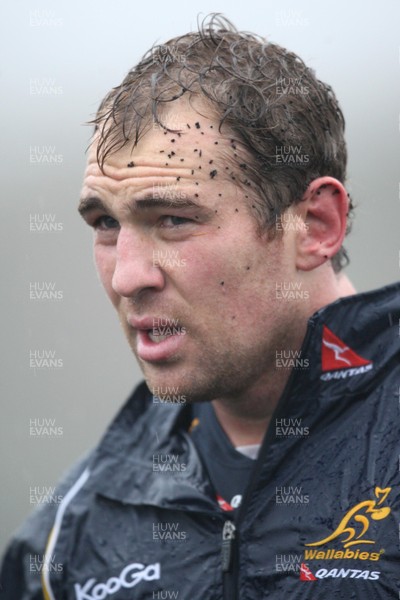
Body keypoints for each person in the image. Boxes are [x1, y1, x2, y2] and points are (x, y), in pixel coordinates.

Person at [1, 13, 399, 600]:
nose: (128, 276)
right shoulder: (73, 530)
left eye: (174, 220)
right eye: (106, 223)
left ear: (314, 225)